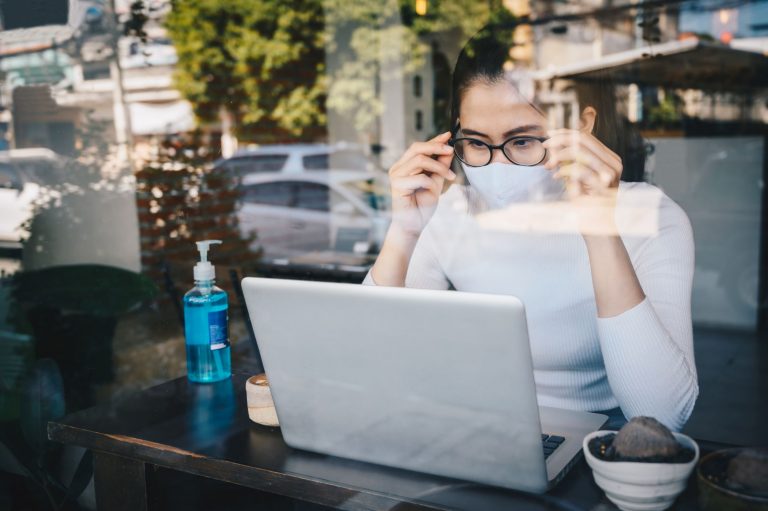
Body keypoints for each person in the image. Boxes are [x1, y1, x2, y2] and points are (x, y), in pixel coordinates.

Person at [363, 28, 698, 431]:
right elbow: (370, 363)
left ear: (583, 125)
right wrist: (403, 232)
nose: (497, 167)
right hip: (479, 425)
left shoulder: (651, 215)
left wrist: (599, 227)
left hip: (598, 431)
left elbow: (661, 414)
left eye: (522, 141)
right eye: (475, 142)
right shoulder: (446, 211)